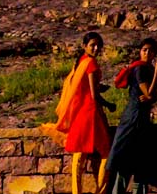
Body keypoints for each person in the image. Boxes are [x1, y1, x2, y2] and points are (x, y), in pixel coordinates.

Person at [52, 31, 115, 194]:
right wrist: (109, 104)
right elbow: (94, 95)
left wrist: (99, 88)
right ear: (84, 46)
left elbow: (85, 86)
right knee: (106, 153)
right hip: (90, 111)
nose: (96, 48)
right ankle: (100, 191)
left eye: (98, 45)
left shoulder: (81, 61)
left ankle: (76, 191)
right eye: (92, 45)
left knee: (79, 155)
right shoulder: (91, 63)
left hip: (81, 112)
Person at [102, 38, 157, 194]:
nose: (147, 53)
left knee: (138, 161)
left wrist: (151, 95)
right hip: (134, 117)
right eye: (144, 50)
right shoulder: (141, 69)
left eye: (150, 50)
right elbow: (149, 93)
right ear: (140, 52)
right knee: (126, 160)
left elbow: (152, 97)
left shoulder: (146, 68)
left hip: (140, 117)